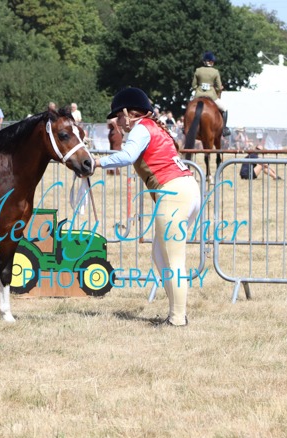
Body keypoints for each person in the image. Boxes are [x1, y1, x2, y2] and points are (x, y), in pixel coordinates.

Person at [94, 87, 201, 327]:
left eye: (119, 116)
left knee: (173, 259)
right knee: (160, 256)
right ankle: (176, 313)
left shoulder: (141, 129)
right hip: (187, 189)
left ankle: (177, 318)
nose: (117, 121)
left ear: (128, 113)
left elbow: (127, 156)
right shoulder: (154, 127)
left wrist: (97, 162)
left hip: (173, 193)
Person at [192, 51, 230, 136]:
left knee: (189, 107)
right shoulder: (215, 72)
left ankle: (185, 127)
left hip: (198, 95)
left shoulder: (198, 70)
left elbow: (193, 85)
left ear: (204, 61)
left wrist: (199, 88)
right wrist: (216, 89)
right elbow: (219, 87)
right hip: (211, 96)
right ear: (212, 62)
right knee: (225, 108)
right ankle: (224, 129)